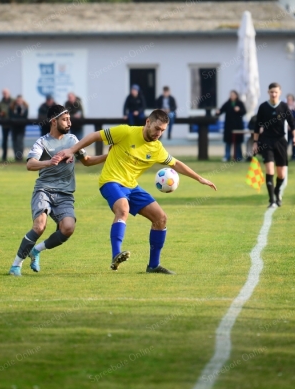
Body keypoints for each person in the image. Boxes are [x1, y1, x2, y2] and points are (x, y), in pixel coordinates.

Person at [52, 110, 217, 274]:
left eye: (163, 130)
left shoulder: (157, 148)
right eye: (157, 128)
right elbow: (95, 136)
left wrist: (199, 178)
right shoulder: (126, 132)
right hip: (111, 181)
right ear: (147, 122)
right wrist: (71, 150)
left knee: (161, 218)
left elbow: (176, 163)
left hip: (131, 186)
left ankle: (153, 266)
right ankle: (116, 254)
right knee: (123, 209)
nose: (159, 133)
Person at [9, 105, 108, 276]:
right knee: (39, 226)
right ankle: (16, 264)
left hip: (65, 194)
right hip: (44, 190)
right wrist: (49, 162)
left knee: (68, 228)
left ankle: (36, 251)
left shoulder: (72, 140)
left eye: (69, 119)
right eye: (65, 119)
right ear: (53, 121)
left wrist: (108, 156)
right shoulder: (42, 142)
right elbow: (30, 164)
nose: (69, 122)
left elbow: (87, 160)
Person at [252, 83, 295, 208]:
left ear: (280, 93)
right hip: (266, 141)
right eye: (271, 92)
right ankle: (272, 200)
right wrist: (255, 143)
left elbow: (292, 124)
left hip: (280, 142)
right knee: (269, 170)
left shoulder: (284, 107)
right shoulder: (263, 107)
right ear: (268, 92)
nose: (273, 94)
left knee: (282, 174)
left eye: (276, 92)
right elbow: (257, 126)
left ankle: (277, 191)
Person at [217, 90, 246, 162]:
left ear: (236, 95)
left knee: (238, 143)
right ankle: (227, 156)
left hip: (238, 126)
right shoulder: (227, 103)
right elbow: (221, 110)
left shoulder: (240, 103)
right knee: (228, 142)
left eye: (233, 95)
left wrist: (239, 110)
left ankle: (239, 157)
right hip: (229, 127)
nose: (232, 96)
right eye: (231, 95)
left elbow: (244, 111)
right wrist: (218, 112)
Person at [0, 88, 14, 162]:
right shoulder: (0, 103)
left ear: (9, 93)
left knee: (15, 140)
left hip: (13, 124)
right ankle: (4, 157)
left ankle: (17, 157)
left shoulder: (13, 101)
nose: (5, 94)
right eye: (4, 93)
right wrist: (0, 114)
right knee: (4, 141)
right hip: (4, 124)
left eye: (6, 93)